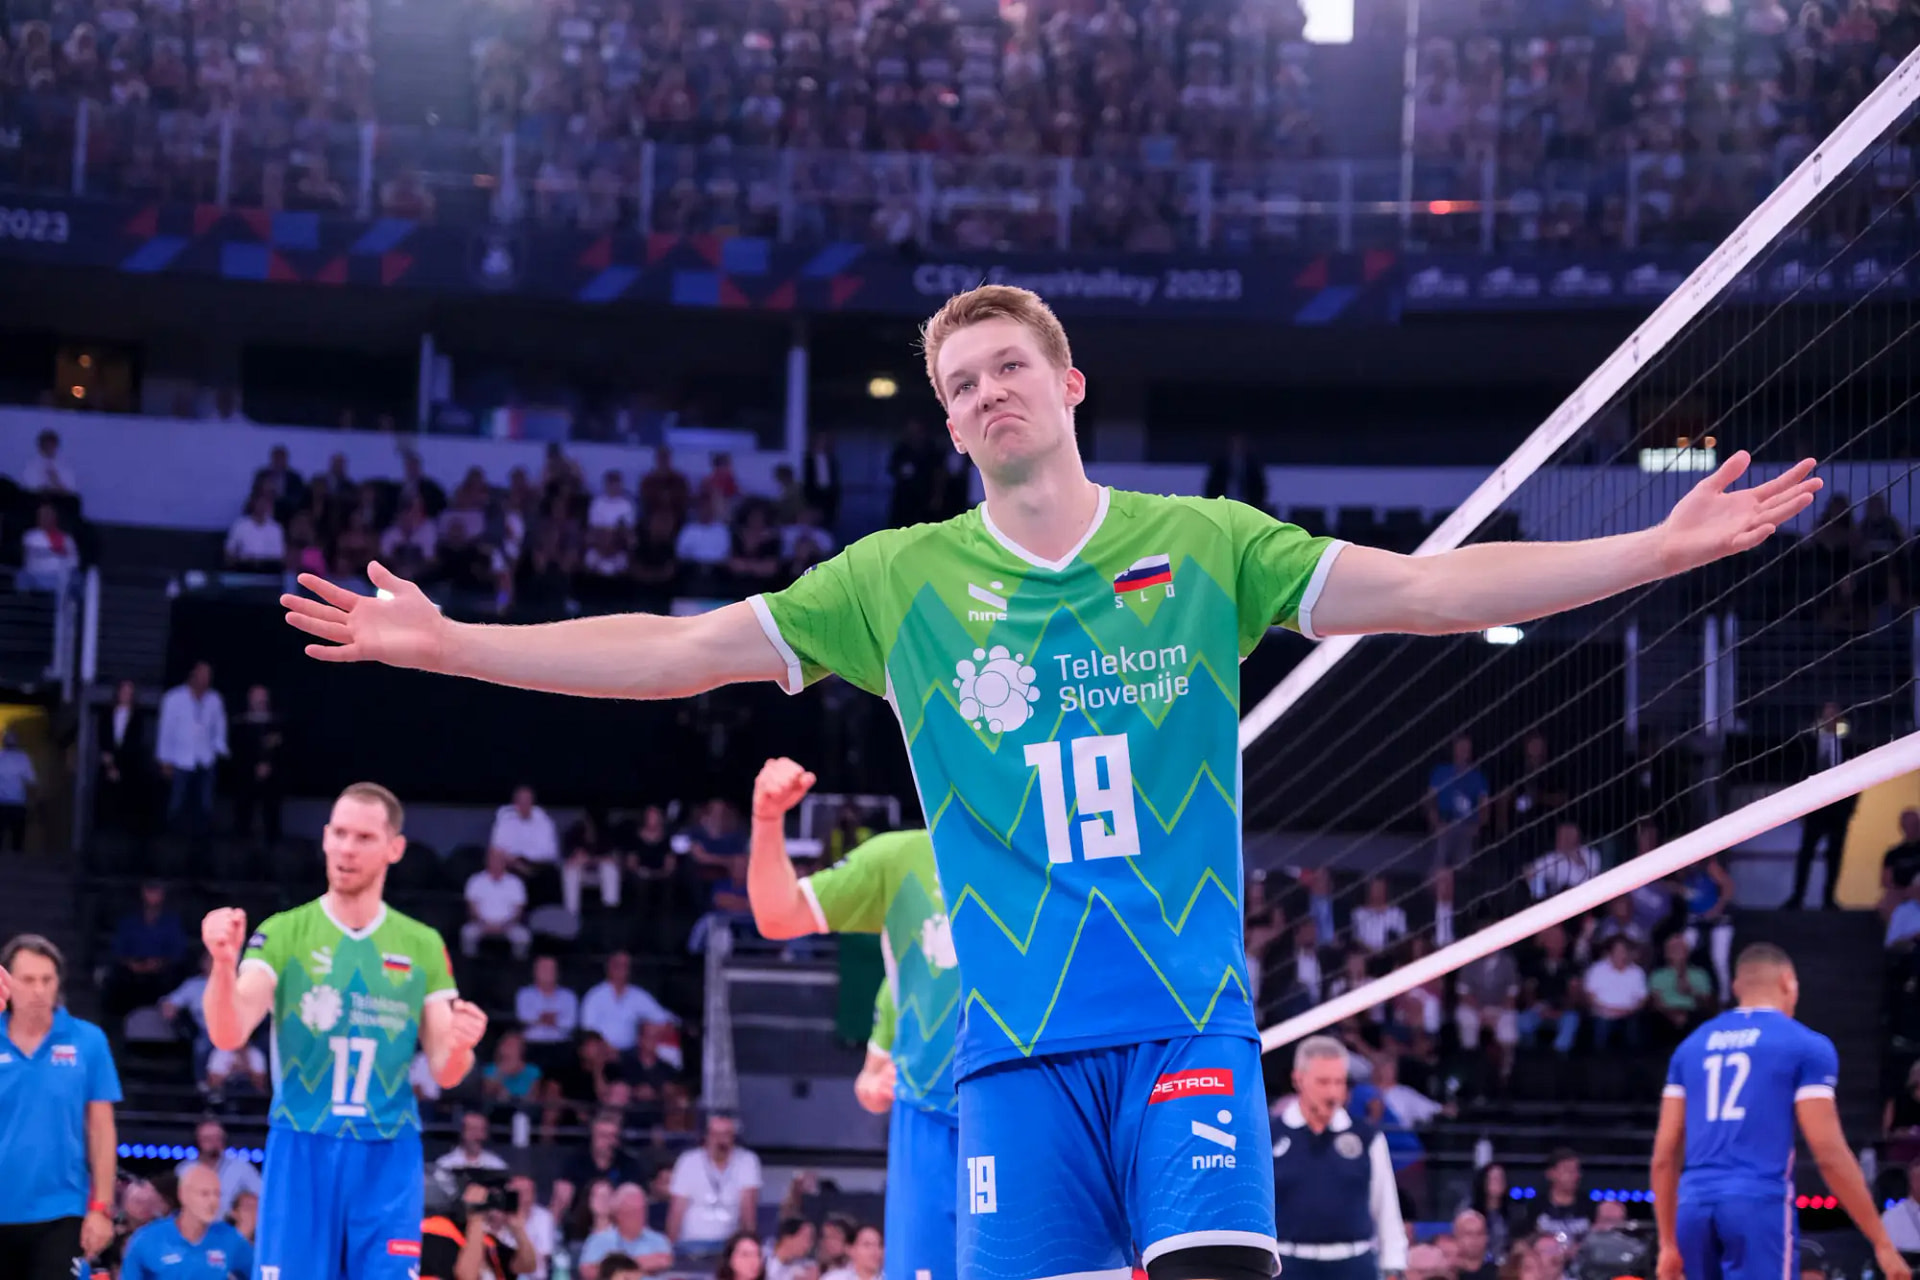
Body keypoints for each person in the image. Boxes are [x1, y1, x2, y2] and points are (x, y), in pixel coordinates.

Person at [282, 283, 1822, 1280]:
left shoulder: (1209, 544)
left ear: (1071, 383)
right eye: (959, 384)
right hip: (1008, 1058)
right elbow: (674, 651)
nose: (984, 393)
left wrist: (1658, 544)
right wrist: (452, 644)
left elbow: (1426, 591)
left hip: (1181, 1022)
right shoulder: (896, 582)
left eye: (1008, 366)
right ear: (947, 423)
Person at [198, 781, 490, 1280]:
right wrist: (222, 966)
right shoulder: (285, 932)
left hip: (388, 1153)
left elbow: (445, 1070)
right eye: (339, 833)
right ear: (325, 837)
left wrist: (462, 1044)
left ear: (394, 848)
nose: (347, 849)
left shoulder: (421, 944)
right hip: (302, 1143)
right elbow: (228, 1034)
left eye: (364, 837)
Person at [745, 757, 958, 1280]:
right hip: (932, 1118)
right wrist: (768, 820)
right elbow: (777, 914)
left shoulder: (1050, 851)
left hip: (1030, 1105)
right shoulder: (901, 858)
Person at [1652, 943, 1909, 1280]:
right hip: (1757, 1203)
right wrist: (1881, 1241)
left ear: (1735, 986)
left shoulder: (1691, 1046)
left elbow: (1664, 1155)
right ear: (1789, 981)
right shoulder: (1804, 1045)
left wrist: (1668, 1242)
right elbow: (1828, 1152)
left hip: (1693, 1204)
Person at [0, 934, 120, 1280]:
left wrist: (101, 1208)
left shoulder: (88, 1041)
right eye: (28, 980)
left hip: (61, 1213)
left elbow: (101, 1130)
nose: (39, 990)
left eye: (47, 980)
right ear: (7, 984)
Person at [1270, 1036, 1407, 1280]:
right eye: (1323, 1082)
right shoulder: (1271, 1136)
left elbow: (1386, 1207)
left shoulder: (1367, 1137)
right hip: (1288, 1266)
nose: (1333, 1092)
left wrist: (1393, 1266)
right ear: (1298, 1079)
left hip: (1354, 1266)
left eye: (1339, 1082)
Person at [119, 1162, 253, 1280]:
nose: (213, 1202)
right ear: (183, 1195)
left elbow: (261, 1271)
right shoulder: (146, 1240)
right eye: (204, 1194)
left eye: (217, 1194)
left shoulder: (230, 1238)